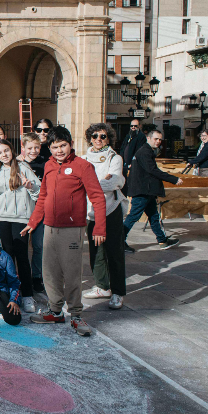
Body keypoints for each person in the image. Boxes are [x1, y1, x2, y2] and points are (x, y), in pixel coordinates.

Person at [22, 126, 107, 337]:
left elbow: (97, 198)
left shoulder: (83, 166)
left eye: (62, 145)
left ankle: (76, 315)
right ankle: (55, 310)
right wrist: (34, 222)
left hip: (72, 229)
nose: (59, 150)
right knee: (50, 272)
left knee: (71, 274)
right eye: (54, 147)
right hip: (50, 227)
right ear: (48, 148)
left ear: (70, 144)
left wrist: (100, 227)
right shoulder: (49, 166)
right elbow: (43, 197)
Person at [0, 139, 41, 313]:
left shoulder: (23, 167)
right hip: (3, 218)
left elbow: (39, 191)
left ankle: (27, 295)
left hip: (21, 218)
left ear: (12, 150)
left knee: (22, 256)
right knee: (7, 257)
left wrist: (30, 186)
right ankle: (12, 293)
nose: (3, 155)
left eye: (6, 151)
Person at [81, 124, 127, 310]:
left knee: (114, 252)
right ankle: (102, 286)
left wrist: (91, 184)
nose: (98, 139)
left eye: (103, 136)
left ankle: (117, 292)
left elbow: (115, 181)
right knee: (95, 252)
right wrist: (104, 181)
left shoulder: (115, 158)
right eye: (94, 136)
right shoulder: (83, 159)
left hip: (110, 209)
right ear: (89, 138)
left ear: (109, 139)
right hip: (90, 212)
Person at [123, 129, 182, 251]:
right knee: (133, 216)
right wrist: (173, 179)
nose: (158, 141)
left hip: (147, 191)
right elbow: (152, 170)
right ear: (148, 138)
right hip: (142, 191)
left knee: (154, 216)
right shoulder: (144, 152)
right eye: (156, 139)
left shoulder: (147, 151)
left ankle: (162, 240)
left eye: (160, 139)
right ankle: (119, 241)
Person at [17, 132, 45, 295]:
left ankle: (37, 276)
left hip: (39, 210)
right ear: (23, 148)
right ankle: (21, 276)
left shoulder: (46, 163)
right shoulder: (17, 164)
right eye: (30, 148)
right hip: (22, 210)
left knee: (38, 245)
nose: (33, 151)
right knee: (20, 247)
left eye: (36, 147)